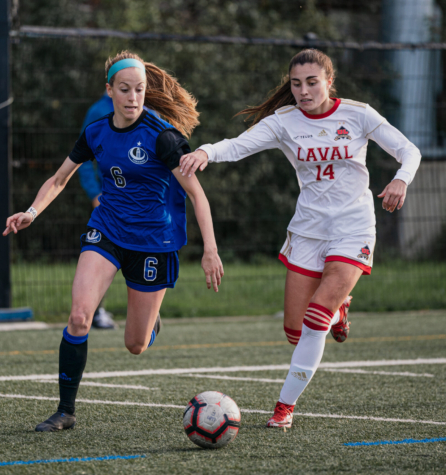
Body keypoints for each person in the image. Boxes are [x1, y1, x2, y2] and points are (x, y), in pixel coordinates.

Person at [179, 49, 421, 429]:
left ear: (329, 81)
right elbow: (239, 145)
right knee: (295, 331)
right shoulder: (285, 121)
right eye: (296, 84)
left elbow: (409, 150)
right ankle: (340, 311)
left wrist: (400, 179)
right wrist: (206, 152)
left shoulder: (358, 113)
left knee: (315, 316)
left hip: (353, 228)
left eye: (312, 82)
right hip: (308, 231)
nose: (304, 91)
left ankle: (283, 408)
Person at [3, 51, 224, 432]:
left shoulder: (163, 137)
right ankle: (65, 411)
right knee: (79, 315)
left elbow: (197, 195)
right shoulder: (96, 132)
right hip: (107, 229)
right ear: (110, 91)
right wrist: (32, 212)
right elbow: (59, 178)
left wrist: (210, 250)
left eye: (140, 89)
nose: (133, 97)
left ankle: (151, 323)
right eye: (125, 89)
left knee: (135, 345)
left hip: (154, 241)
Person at [77, 91, 116, 329]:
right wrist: (94, 193)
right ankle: (95, 310)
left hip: (142, 209)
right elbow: (81, 158)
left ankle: (147, 311)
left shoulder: (147, 111)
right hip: (108, 206)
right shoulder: (98, 111)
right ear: (110, 86)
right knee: (100, 257)